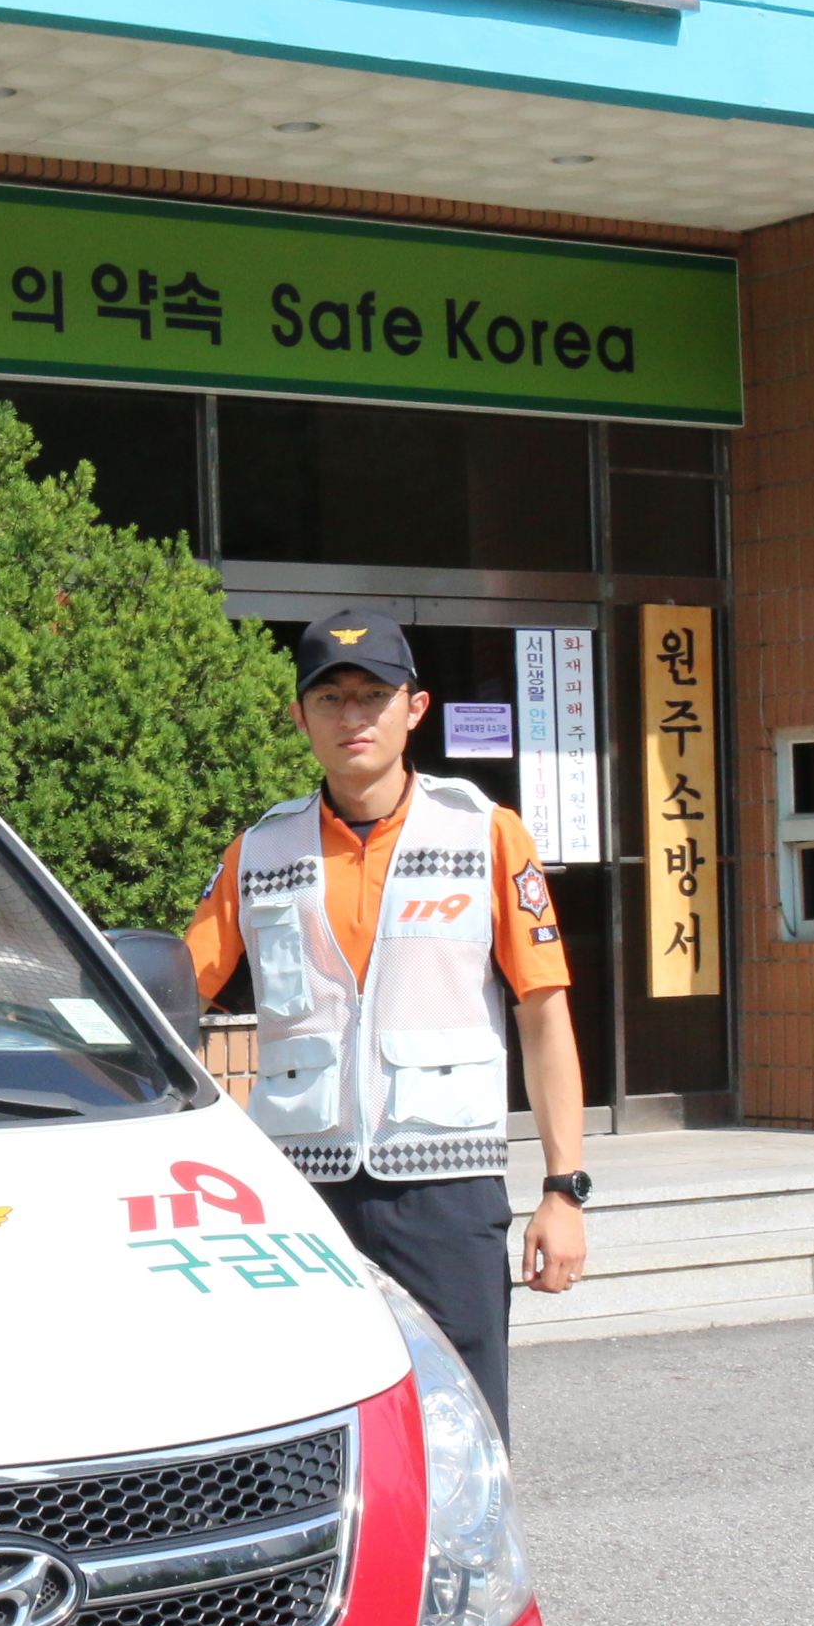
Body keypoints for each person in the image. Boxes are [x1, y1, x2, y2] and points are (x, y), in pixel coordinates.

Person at [184, 608, 586, 1440]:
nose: (353, 716)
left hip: (445, 1188)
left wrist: (564, 1189)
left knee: (462, 1413)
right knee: (304, 1412)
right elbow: (171, 997)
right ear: (300, 717)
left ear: (416, 708)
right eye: (329, 698)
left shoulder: (483, 834)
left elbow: (545, 1019)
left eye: (374, 695)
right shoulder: (259, 852)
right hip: (305, 1190)